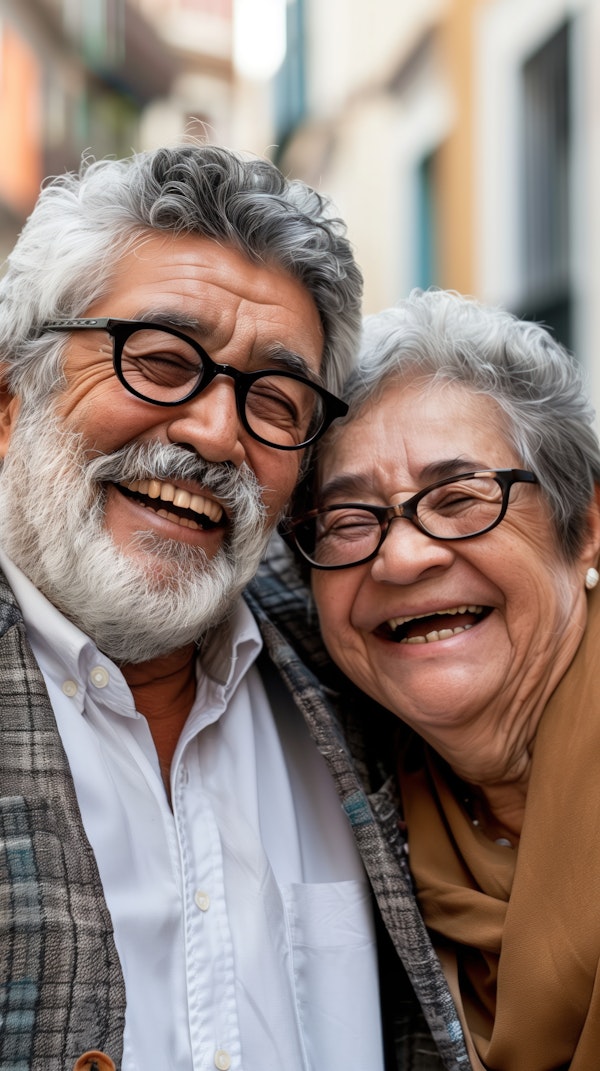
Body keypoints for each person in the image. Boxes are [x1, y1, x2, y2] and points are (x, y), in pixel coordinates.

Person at [0, 143, 398, 1071]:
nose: (217, 431)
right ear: (14, 397)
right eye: (163, 359)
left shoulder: (360, 678)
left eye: (277, 398)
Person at [278, 288, 600, 1071]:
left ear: (586, 528)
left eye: (459, 499)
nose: (402, 557)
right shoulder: (367, 799)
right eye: (350, 519)